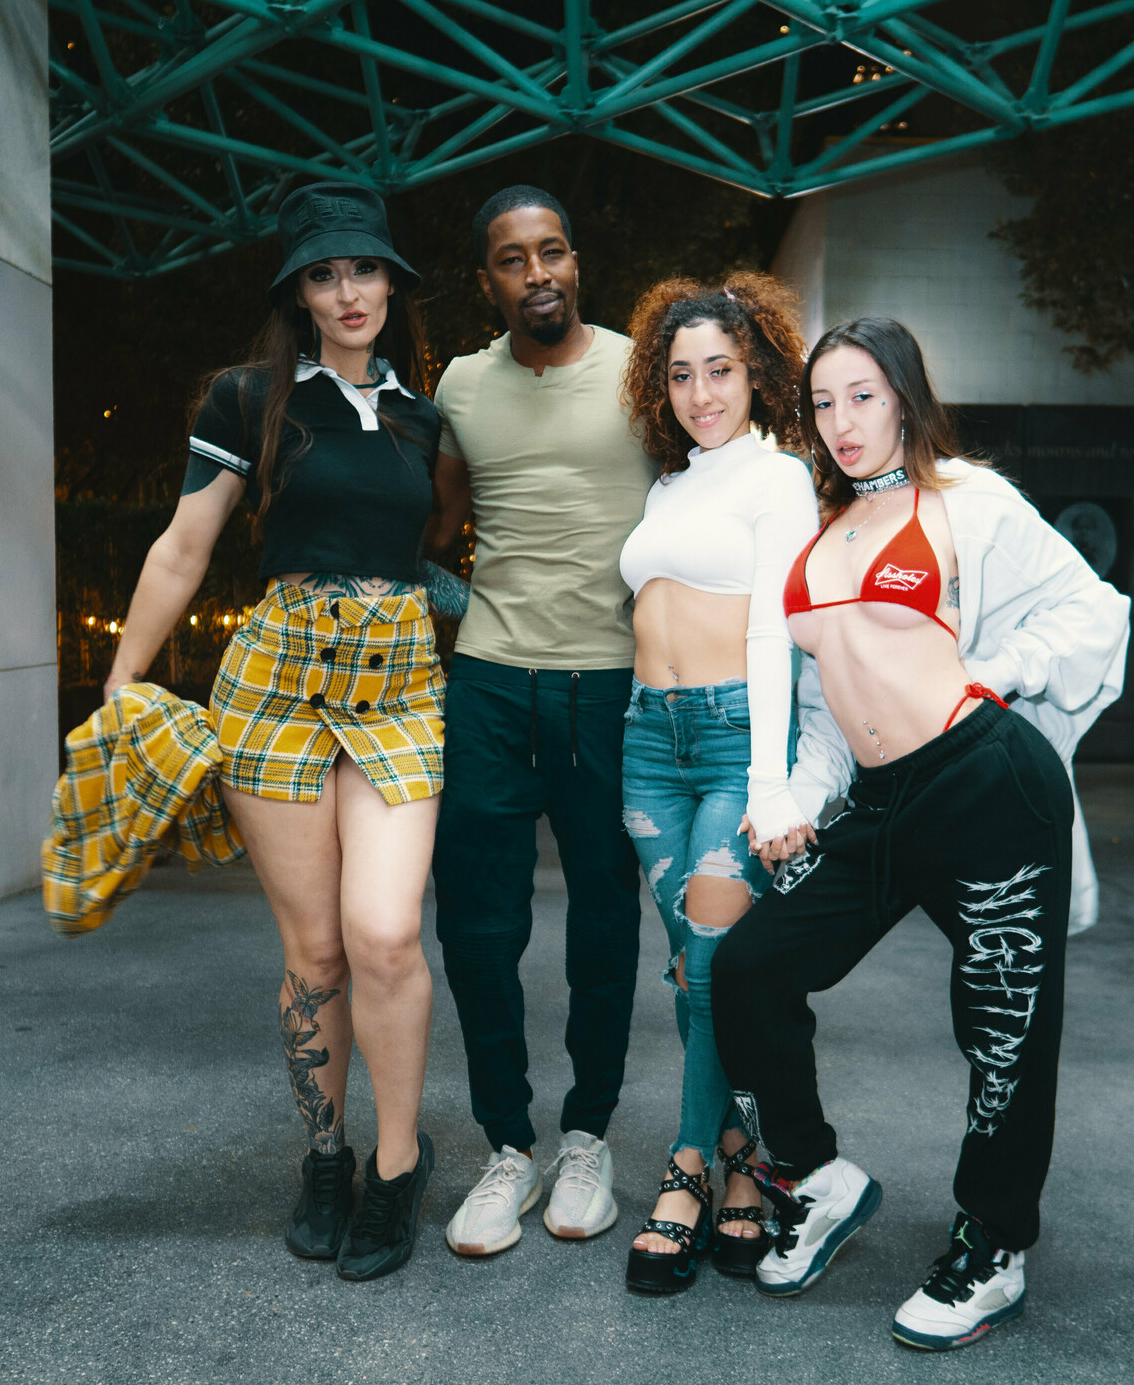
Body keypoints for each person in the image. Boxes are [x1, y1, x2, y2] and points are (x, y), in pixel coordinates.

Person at [711, 318, 1130, 1346]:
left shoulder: (968, 501)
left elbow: (1091, 611)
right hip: (880, 800)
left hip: (986, 783)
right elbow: (827, 708)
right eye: (823, 403)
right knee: (751, 968)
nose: (842, 421)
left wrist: (996, 674)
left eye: (863, 395)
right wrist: (796, 801)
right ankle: (816, 1179)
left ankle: (993, 1246)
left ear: (904, 397)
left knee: (1002, 1028)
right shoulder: (824, 532)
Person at [101, 184, 466, 1282]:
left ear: (392, 282)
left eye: (364, 269)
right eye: (323, 273)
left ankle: (398, 1169)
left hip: (397, 688)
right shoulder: (248, 399)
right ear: (298, 293)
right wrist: (122, 680)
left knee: (384, 934)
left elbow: (436, 554)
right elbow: (184, 547)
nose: (348, 291)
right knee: (314, 951)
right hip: (275, 684)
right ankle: (327, 1157)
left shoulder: (426, 418)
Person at [614, 273, 852, 1292]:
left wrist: (768, 785)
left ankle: (685, 1170)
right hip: (647, 743)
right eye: (680, 375)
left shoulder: (778, 476)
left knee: (712, 961)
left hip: (730, 741)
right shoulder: (669, 486)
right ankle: (745, 1162)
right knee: (689, 967)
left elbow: (773, 634)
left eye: (719, 370)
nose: (700, 393)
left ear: (756, 373)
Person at [427, 186, 652, 1258]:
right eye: (513, 260)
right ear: (489, 281)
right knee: (478, 924)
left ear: (575, 260)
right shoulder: (462, 385)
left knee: (605, 917)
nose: (538, 273)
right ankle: (508, 1146)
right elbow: (436, 524)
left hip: (611, 684)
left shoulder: (644, 371)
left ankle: (588, 1138)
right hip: (489, 682)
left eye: (552, 250)